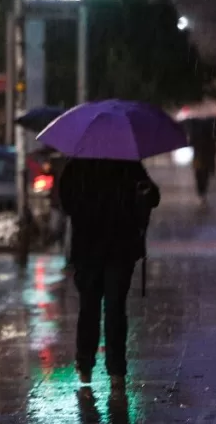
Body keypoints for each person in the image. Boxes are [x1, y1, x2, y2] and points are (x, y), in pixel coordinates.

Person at [58, 159, 159, 388]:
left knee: (93, 308)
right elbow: (151, 197)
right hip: (114, 248)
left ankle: (89, 366)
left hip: (96, 248)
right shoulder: (127, 164)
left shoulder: (78, 164)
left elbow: (65, 202)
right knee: (111, 309)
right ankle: (113, 370)